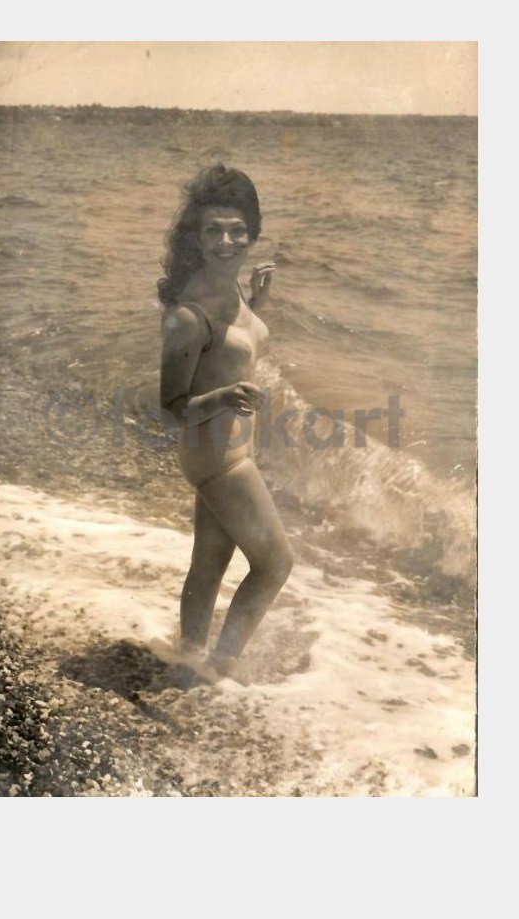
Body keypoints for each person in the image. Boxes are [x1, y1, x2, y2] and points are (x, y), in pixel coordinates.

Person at [158, 164, 294, 683]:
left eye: (238, 230)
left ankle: (189, 656)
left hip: (226, 452)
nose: (226, 241)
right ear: (195, 235)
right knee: (275, 563)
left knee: (209, 563)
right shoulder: (188, 314)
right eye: (213, 230)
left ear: (252, 233)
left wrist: (257, 305)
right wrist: (224, 397)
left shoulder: (230, 290)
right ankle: (222, 666)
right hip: (218, 457)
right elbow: (171, 406)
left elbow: (234, 350)